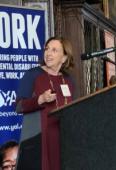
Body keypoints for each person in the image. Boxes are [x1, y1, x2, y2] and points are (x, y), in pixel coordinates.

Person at [16, 36, 75, 170]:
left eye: (54, 50)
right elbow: (18, 106)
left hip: (63, 141)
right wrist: (40, 99)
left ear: (64, 58)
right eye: (47, 49)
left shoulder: (69, 80)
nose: (48, 53)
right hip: (39, 142)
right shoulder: (32, 75)